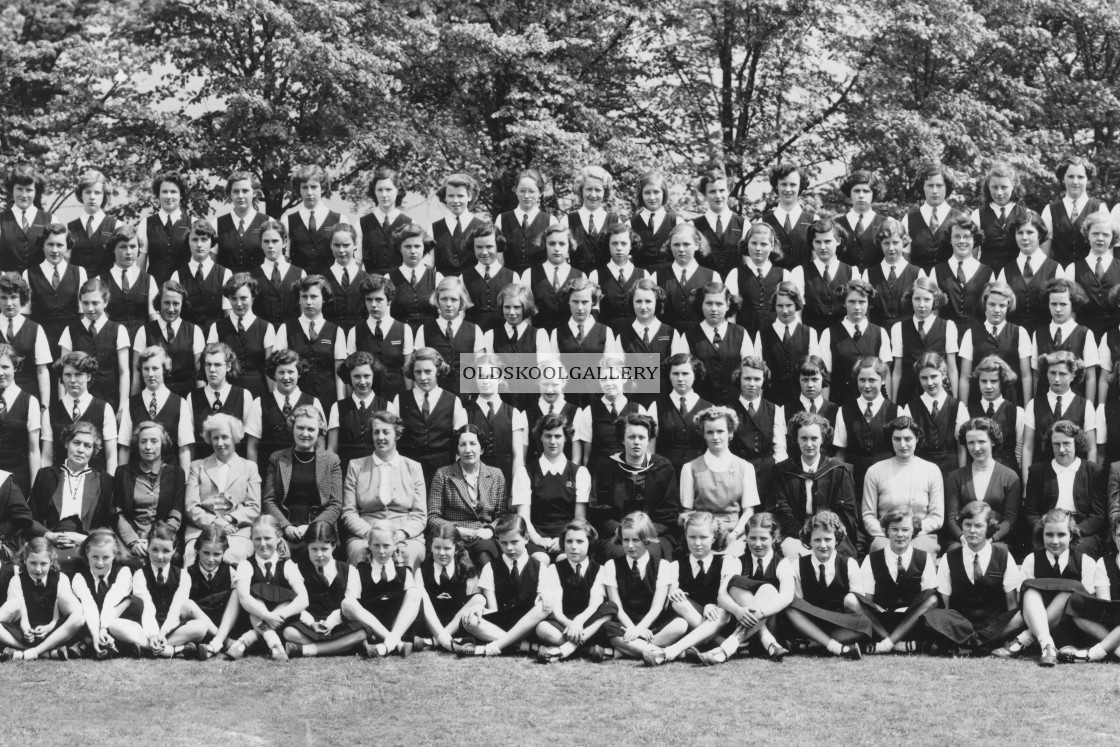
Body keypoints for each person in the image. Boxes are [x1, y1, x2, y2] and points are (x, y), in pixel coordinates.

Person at [993, 509, 1095, 667]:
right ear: (1042, 534)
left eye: (1061, 535)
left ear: (1072, 535)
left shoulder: (1085, 562)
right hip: (1036, 622)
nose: (1055, 541)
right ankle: (1047, 645)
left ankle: (1025, 639)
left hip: (1071, 631)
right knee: (1030, 591)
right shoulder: (1031, 560)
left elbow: (1087, 605)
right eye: (1049, 535)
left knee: (1071, 591)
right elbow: (1024, 603)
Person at [693, 511, 795, 664]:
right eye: (752, 538)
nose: (757, 544)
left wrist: (761, 612)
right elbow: (722, 596)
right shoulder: (737, 561)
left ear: (774, 538)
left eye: (763, 538)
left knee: (768, 591)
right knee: (734, 584)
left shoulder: (782, 563)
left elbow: (786, 596)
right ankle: (766, 642)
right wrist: (737, 610)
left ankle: (727, 648)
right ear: (745, 537)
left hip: (773, 625)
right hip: (741, 621)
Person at [921, 501, 1022, 655]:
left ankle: (966, 646)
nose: (972, 531)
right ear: (961, 526)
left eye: (978, 526)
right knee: (931, 616)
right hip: (961, 625)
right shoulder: (949, 558)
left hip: (994, 625)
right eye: (967, 525)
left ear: (989, 526)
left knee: (1020, 615)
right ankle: (982, 646)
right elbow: (945, 604)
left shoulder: (1003, 555)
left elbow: (1011, 603)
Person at [642, 511, 740, 665]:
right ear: (685, 536)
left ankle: (672, 651)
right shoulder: (675, 566)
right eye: (692, 537)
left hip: (717, 620)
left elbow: (725, 595)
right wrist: (675, 591)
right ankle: (718, 643)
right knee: (678, 601)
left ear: (714, 537)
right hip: (686, 622)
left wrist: (711, 604)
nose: (697, 543)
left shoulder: (727, 562)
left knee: (723, 612)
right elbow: (672, 596)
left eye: (703, 537)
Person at [589, 413, 681, 563]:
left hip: (653, 535)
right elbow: (598, 511)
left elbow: (668, 513)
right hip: (616, 536)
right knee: (619, 554)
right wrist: (622, 532)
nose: (636, 442)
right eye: (631, 437)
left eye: (642, 437)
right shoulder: (606, 467)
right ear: (622, 439)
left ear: (649, 440)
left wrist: (643, 533)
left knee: (649, 555)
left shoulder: (663, 467)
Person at [340, 410, 427, 567]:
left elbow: (420, 515)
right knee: (360, 552)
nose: (380, 437)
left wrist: (399, 535)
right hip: (366, 534)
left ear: (397, 435)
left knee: (409, 553)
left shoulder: (413, 468)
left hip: (404, 535)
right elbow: (348, 512)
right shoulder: (356, 466)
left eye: (386, 432)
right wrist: (370, 534)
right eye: (376, 432)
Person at [110, 522, 210, 659]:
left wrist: (162, 633)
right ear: (148, 548)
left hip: (173, 628)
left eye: (166, 551)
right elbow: (147, 607)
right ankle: (173, 650)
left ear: (174, 550)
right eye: (155, 549)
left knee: (200, 627)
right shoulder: (140, 574)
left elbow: (176, 608)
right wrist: (153, 635)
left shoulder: (183, 575)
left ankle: (148, 648)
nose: (160, 556)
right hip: (146, 628)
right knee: (115, 625)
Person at [457, 513, 548, 657]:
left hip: (528, 624)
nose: (509, 548)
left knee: (545, 606)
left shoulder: (540, 567)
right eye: (504, 543)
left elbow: (539, 607)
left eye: (514, 542)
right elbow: (493, 609)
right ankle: (526, 647)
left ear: (526, 539)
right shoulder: (490, 568)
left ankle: (493, 647)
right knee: (470, 620)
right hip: (501, 623)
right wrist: (479, 608)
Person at [782, 511, 870, 659]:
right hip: (810, 622)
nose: (823, 545)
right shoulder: (798, 565)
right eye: (817, 540)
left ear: (836, 540)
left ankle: (813, 643)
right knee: (791, 609)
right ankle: (835, 647)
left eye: (828, 539)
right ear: (809, 541)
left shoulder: (849, 564)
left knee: (862, 622)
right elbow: (799, 604)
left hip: (840, 623)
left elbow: (858, 608)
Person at [771, 412, 859, 559]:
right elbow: (782, 511)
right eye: (803, 438)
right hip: (794, 535)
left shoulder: (838, 471)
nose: (809, 444)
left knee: (840, 561)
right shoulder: (783, 471)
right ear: (796, 439)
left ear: (822, 439)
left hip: (831, 534)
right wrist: (804, 534)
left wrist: (822, 533)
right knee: (795, 557)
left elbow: (845, 513)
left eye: (814, 438)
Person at [591, 511, 675, 662]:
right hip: (624, 626)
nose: (630, 546)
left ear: (647, 539)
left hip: (652, 626)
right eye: (625, 540)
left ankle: (619, 652)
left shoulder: (662, 566)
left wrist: (640, 629)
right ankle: (664, 653)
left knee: (680, 624)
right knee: (607, 628)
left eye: (635, 540)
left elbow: (657, 608)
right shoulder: (612, 566)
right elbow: (617, 607)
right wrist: (633, 630)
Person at [224, 515, 310, 660]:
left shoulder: (287, 565)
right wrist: (267, 616)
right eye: (257, 539)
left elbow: (304, 599)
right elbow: (244, 598)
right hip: (254, 619)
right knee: (255, 594)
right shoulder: (246, 565)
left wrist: (277, 617)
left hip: (279, 624)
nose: (263, 544)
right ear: (251, 539)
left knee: (291, 598)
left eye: (267, 538)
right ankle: (273, 642)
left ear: (278, 538)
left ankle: (248, 639)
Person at [27, 421, 112, 567]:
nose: (80, 449)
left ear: (94, 451)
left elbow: (109, 526)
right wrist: (48, 536)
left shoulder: (104, 481)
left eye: (87, 446)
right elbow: (29, 519)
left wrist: (86, 538)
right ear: (67, 443)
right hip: (48, 544)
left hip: (86, 548)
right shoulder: (46, 475)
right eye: (76, 443)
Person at [262, 405, 343, 556]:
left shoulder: (331, 461)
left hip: (320, 531)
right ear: (292, 428)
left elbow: (335, 504)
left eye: (311, 429)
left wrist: (312, 527)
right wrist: (285, 526)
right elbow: (269, 501)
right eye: (300, 428)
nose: (305, 434)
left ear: (319, 431)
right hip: (284, 530)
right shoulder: (277, 459)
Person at [857, 506, 939, 654]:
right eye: (894, 529)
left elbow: (928, 597)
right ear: (886, 531)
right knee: (854, 601)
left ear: (913, 530)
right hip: (881, 621)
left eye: (905, 530)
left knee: (933, 599)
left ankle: (885, 644)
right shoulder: (871, 559)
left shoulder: (924, 558)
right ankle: (898, 644)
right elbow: (867, 601)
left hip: (910, 621)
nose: (900, 534)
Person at [680, 406, 760, 557]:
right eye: (710, 432)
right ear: (703, 434)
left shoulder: (745, 467)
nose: (715, 437)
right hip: (701, 537)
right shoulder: (689, 468)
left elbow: (749, 511)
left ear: (730, 433)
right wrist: (701, 537)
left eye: (720, 431)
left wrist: (734, 535)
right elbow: (687, 513)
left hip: (734, 536)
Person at [534, 519, 617, 663]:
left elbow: (594, 605)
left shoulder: (599, 570)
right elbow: (557, 611)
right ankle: (589, 650)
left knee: (610, 607)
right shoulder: (555, 569)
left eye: (580, 542)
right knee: (542, 628)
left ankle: (563, 650)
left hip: (589, 622)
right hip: (565, 624)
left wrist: (578, 622)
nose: (573, 547)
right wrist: (571, 625)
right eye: (569, 541)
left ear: (589, 544)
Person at [183, 414, 262, 566]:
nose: (220, 443)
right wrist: (216, 522)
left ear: (235, 437)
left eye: (225, 437)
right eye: (215, 438)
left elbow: (254, 507)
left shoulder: (249, 468)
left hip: (236, 530)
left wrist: (227, 520)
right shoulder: (197, 467)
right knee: (194, 556)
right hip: (202, 529)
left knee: (235, 556)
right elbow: (191, 507)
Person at [426, 424, 509, 567]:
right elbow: (433, 517)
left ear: (482, 449)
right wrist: (456, 530)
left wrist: (489, 530)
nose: (468, 450)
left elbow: (501, 516)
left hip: (484, 538)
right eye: (462, 445)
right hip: (451, 537)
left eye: (473, 444)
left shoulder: (496, 475)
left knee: (486, 558)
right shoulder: (443, 474)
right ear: (457, 449)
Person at [1023, 420, 1107, 558]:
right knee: (1042, 553)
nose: (1061, 450)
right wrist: (1048, 531)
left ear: (1076, 443)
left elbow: (1097, 515)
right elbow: (1031, 512)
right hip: (1047, 531)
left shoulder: (1094, 471)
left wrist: (1073, 532)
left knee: (1077, 553)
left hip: (1082, 533)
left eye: (1066, 443)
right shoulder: (1037, 471)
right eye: (1056, 444)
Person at [282, 521, 366, 659]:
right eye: (314, 549)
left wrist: (330, 623)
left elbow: (353, 604)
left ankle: (308, 650)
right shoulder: (297, 569)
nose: (319, 555)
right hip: (310, 626)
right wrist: (311, 623)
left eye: (324, 549)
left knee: (362, 631)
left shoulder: (350, 570)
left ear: (333, 546)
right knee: (289, 632)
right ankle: (341, 647)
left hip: (339, 624)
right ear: (307, 547)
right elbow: (296, 602)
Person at [862, 416, 944, 555]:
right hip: (885, 537)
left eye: (908, 439)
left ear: (917, 439)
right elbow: (868, 515)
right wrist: (890, 533)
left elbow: (937, 517)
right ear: (891, 440)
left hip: (921, 536)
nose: (902, 444)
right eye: (897, 439)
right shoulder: (875, 471)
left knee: (919, 557)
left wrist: (911, 532)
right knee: (883, 555)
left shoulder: (931, 470)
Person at [342, 518, 423, 657]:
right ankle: (396, 643)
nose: (381, 551)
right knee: (347, 603)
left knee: (415, 593)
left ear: (395, 545)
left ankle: (387, 645)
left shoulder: (404, 572)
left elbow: (412, 606)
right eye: (376, 545)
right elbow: (352, 606)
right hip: (371, 628)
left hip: (397, 626)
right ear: (369, 544)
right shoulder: (359, 571)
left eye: (386, 545)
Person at [513, 414, 591, 559]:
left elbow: (579, 519)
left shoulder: (580, 473)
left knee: (564, 560)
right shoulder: (525, 472)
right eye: (548, 436)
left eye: (557, 436)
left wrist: (563, 539)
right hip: (535, 537)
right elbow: (523, 516)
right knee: (541, 559)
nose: (553, 441)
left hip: (569, 537)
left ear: (566, 438)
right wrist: (537, 539)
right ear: (540, 437)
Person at [389, 348, 467, 486]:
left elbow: (461, 441)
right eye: (418, 372)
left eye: (428, 371)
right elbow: (393, 439)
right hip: (409, 476)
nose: (423, 377)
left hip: (445, 475)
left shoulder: (453, 401)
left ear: (438, 370)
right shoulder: (400, 400)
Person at [0, 538, 84, 661]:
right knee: (13, 603)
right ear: (25, 560)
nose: (38, 569)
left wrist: (50, 626)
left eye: (43, 564)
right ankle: (44, 652)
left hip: (56, 631)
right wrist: (26, 630)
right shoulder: (17, 580)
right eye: (33, 563)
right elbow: (21, 610)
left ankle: (33, 652)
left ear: (51, 561)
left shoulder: (61, 578)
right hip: (25, 634)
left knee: (78, 617)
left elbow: (58, 608)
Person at [111, 422, 185, 561]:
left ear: (162, 444)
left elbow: (177, 511)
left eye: (154, 441)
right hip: (130, 541)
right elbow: (117, 511)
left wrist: (156, 539)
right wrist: (132, 541)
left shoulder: (175, 473)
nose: (148, 447)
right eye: (143, 441)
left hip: (163, 540)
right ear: (137, 444)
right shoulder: (123, 473)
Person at [244, 350, 325, 474]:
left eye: (291, 372)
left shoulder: (313, 402)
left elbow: (320, 445)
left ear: (299, 373)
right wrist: (254, 478)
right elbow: (252, 447)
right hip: (270, 475)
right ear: (274, 374)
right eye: (281, 372)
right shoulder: (259, 403)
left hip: (305, 474)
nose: (286, 377)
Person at [944, 418, 1021, 548]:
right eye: (971, 443)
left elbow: (1009, 518)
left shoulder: (1009, 476)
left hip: (996, 541)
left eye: (982, 442)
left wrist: (991, 540)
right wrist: (963, 537)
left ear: (992, 442)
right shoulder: (956, 477)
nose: (976, 448)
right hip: (964, 541)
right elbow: (952, 517)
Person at [58, 277, 130, 411]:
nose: (90, 308)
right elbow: (63, 371)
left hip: (110, 399)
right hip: (77, 401)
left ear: (106, 302)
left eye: (95, 303)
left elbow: (123, 372)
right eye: (85, 303)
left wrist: (122, 407)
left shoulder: (119, 330)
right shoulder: (70, 331)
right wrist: (62, 404)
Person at [118, 346, 194, 473]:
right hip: (137, 477)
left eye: (155, 368)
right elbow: (125, 447)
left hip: (169, 478)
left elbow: (184, 449)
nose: (150, 374)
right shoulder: (131, 403)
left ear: (164, 370)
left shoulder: (180, 403)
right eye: (146, 369)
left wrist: (184, 484)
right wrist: (121, 479)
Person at [272, 275, 346, 405]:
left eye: (314, 297)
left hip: (327, 398)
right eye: (304, 297)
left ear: (324, 299)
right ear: (299, 299)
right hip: (297, 398)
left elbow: (339, 373)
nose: (309, 302)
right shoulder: (286, 329)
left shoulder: (336, 331)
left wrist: (340, 403)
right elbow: (277, 368)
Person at [957, 281, 1032, 408]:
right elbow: (965, 377)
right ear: (984, 304)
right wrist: (963, 410)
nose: (997, 310)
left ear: (1008, 306)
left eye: (1002, 305)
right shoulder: (971, 334)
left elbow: (1026, 376)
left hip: (1011, 401)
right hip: (979, 402)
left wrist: (1027, 408)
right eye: (992, 304)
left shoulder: (1020, 333)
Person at [1022, 352, 1097, 477]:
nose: (1056, 379)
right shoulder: (1033, 404)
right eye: (1052, 373)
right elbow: (1028, 447)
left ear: (1073, 375)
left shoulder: (1085, 406)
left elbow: (1091, 448)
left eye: (1062, 374)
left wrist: (1089, 480)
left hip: (1075, 476)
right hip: (1042, 476)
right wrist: (1026, 483)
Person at [818, 279, 891, 407]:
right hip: (840, 403)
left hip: (871, 404)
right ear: (844, 303)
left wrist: (887, 406)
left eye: (862, 302)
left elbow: (885, 376)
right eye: (851, 301)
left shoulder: (880, 333)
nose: (857, 307)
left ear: (868, 303)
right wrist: (827, 408)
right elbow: (825, 378)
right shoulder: (828, 334)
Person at [42, 352, 117, 473]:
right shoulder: (50, 413)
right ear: (61, 377)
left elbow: (111, 456)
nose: (72, 380)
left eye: (78, 375)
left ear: (88, 376)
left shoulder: (104, 409)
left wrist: (110, 488)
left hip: (94, 483)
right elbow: (46, 457)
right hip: (61, 482)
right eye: (67, 375)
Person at [901, 352, 969, 486]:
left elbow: (962, 448)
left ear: (943, 374)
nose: (929, 382)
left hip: (951, 471)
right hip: (920, 470)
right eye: (924, 378)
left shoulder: (957, 407)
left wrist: (961, 478)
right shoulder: (910, 408)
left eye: (934, 376)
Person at [833, 356, 899, 493]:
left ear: (883, 380)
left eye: (872, 380)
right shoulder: (844, 411)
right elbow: (840, 452)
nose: (866, 385)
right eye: (862, 380)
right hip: (854, 480)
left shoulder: (896, 411)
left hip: (888, 478)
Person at [412, 524, 481, 653]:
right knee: (418, 591)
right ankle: (447, 641)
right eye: (437, 547)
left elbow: (471, 602)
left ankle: (434, 641)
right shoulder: (422, 571)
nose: (441, 553)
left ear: (456, 549)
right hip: (431, 624)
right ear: (430, 547)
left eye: (447, 548)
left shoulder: (467, 570)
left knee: (479, 598)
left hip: (457, 623)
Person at [23, 223, 85, 368]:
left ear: (67, 246)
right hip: (41, 342)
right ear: (42, 246)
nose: (55, 250)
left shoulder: (79, 272)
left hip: (72, 340)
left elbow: (82, 313)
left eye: (60, 245)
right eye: (50, 244)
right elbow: (26, 316)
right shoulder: (29, 274)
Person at [1061, 515, 1120, 662]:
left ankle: (1094, 653)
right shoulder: (1104, 563)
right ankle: (1116, 648)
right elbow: (1106, 606)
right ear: (1114, 536)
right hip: (1115, 620)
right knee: (1075, 605)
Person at [891, 277, 959, 405]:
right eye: (917, 299)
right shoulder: (898, 328)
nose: (921, 305)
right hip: (909, 394)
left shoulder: (948, 326)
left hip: (938, 392)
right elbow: (897, 370)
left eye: (927, 299)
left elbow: (952, 369)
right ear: (910, 299)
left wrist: (953, 401)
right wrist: (894, 402)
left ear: (935, 300)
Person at [132, 280, 205, 398]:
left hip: (186, 397)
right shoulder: (144, 331)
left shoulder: (195, 331)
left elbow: (199, 374)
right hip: (153, 397)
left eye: (176, 303)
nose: (171, 309)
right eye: (166, 303)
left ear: (183, 304)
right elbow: (136, 375)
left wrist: (199, 406)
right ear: (159, 303)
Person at [414, 275, 487, 394]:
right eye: (444, 299)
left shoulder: (474, 330)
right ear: (437, 300)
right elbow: (418, 367)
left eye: (454, 299)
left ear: (462, 301)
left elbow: (481, 369)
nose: (448, 304)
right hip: (436, 394)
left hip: (466, 394)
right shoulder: (424, 329)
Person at [753, 282, 820, 410]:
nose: (784, 311)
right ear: (774, 306)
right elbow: (758, 371)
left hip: (801, 400)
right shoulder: (762, 334)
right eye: (780, 306)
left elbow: (815, 370)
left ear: (797, 305)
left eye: (789, 305)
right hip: (772, 399)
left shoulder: (809, 332)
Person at [1031, 278, 1098, 403]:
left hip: (1075, 404)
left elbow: (1090, 378)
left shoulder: (1085, 333)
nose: (1057, 309)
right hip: (1045, 404)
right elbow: (1035, 375)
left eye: (1063, 304)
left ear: (1073, 304)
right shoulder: (1038, 333)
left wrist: (1088, 408)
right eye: (1053, 304)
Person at [684, 281, 752, 405]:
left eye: (719, 304)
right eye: (709, 303)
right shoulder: (688, 336)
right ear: (701, 305)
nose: (714, 309)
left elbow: (750, 370)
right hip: (700, 405)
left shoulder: (741, 333)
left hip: (735, 404)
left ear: (727, 305)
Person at [209, 273, 275, 400]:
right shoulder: (216, 328)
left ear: (253, 297)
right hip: (227, 393)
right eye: (233, 298)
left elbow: (269, 370)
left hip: (258, 391)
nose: (238, 304)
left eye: (243, 298)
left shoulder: (266, 328)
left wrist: (271, 399)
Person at [347, 274, 413, 400]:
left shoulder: (404, 330)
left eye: (379, 299)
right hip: (367, 396)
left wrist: (408, 399)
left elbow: (407, 370)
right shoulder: (354, 332)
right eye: (369, 299)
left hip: (397, 394)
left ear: (389, 301)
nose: (373, 305)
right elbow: (351, 371)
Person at [70, 529, 132, 659]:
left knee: (127, 602)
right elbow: (88, 604)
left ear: (114, 554)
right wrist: (96, 634)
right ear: (87, 553)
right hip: (91, 622)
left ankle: (111, 643)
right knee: (80, 610)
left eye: (106, 557)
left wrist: (103, 629)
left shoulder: (123, 572)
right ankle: (94, 642)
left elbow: (111, 601)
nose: (100, 563)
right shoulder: (79, 577)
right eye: (95, 557)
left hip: (114, 619)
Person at [791, 217, 859, 333]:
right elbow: (796, 312)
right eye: (818, 242)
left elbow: (855, 310)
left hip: (842, 338)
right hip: (812, 337)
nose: (822, 247)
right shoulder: (799, 272)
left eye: (827, 241)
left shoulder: (852, 272)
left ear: (838, 241)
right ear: (812, 243)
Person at [281, 165, 352, 276]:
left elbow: (347, 259)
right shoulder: (287, 221)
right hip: (299, 287)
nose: (309, 192)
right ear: (299, 190)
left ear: (322, 188)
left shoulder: (339, 220)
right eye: (304, 187)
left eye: (314, 187)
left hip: (331, 286)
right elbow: (284, 259)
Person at [648, 353, 711, 475]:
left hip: (699, 473)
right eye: (675, 374)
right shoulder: (655, 407)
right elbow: (650, 449)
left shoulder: (709, 408)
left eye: (685, 374)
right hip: (665, 474)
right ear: (669, 376)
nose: (680, 379)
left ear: (695, 375)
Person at [996, 211, 1060, 330]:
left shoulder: (1055, 269)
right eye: (1020, 233)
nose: (1024, 238)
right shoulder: (1006, 270)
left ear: (1039, 235)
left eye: (1030, 232)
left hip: (1044, 337)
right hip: (1013, 339)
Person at [185, 527, 242, 659]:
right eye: (206, 553)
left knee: (238, 591)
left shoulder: (231, 571)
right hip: (201, 625)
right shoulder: (187, 574)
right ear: (197, 550)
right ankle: (224, 641)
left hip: (225, 622)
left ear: (223, 552)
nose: (211, 559)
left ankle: (219, 639)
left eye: (216, 554)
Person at [1040, 155, 1108, 266]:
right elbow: (1044, 253)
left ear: (1088, 179)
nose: (1075, 181)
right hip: (1060, 276)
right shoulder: (1050, 210)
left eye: (1080, 177)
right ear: (1063, 179)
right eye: (1070, 176)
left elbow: (1106, 251)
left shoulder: (1100, 208)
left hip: (1090, 276)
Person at [327, 351, 389, 472]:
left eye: (366, 376)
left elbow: (390, 448)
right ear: (349, 377)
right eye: (356, 376)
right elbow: (332, 449)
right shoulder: (338, 407)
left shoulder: (387, 406)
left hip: (378, 471)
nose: (362, 382)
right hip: (347, 472)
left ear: (374, 375)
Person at [191, 343, 253, 460]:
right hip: (203, 469)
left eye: (218, 365)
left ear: (228, 366)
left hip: (235, 469)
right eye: (208, 364)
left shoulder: (243, 396)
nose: (212, 370)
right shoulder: (193, 397)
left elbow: (250, 442)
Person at [725, 223, 790, 336]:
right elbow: (730, 314)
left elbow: (790, 312)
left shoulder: (784, 275)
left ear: (772, 245)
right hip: (745, 337)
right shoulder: (735, 274)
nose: (758, 248)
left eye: (764, 244)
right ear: (747, 244)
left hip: (776, 337)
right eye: (754, 243)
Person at [932, 217, 993, 336]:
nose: (961, 241)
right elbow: (934, 311)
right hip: (946, 336)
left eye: (966, 236)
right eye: (956, 236)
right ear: (950, 239)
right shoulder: (937, 271)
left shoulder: (988, 272)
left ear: (974, 239)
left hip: (978, 337)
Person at [965, 356, 1026, 474]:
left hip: (1007, 473)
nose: (988, 386)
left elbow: (1019, 451)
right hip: (977, 472)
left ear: (1002, 382)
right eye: (983, 381)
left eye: (993, 381)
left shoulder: (1017, 412)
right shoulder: (967, 412)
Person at [518, 223, 582, 334]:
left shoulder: (580, 276)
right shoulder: (529, 275)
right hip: (539, 340)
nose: (557, 248)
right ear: (544, 245)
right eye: (552, 243)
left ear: (569, 246)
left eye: (562, 244)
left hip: (568, 342)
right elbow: (526, 315)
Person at [170, 219, 231, 334]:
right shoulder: (177, 275)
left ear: (211, 242)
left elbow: (228, 314)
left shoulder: (225, 274)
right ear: (188, 242)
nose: (199, 245)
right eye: (194, 239)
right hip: (187, 337)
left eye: (204, 239)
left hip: (217, 338)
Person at [0, 273, 51, 408]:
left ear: (22, 298)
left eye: (14, 297)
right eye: (3, 298)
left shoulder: (35, 329)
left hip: (28, 399)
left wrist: (44, 408)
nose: (9, 303)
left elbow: (42, 371)